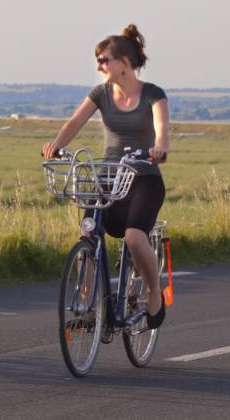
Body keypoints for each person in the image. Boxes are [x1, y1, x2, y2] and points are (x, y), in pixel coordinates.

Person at [42, 24, 169, 329]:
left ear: (124, 63)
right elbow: (75, 121)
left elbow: (162, 129)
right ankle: (87, 307)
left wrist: (160, 148)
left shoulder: (152, 94)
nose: (99, 65)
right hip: (109, 177)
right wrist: (57, 145)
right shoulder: (100, 93)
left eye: (104, 60)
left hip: (143, 177)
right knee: (88, 235)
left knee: (135, 238)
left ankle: (154, 293)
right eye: (98, 60)